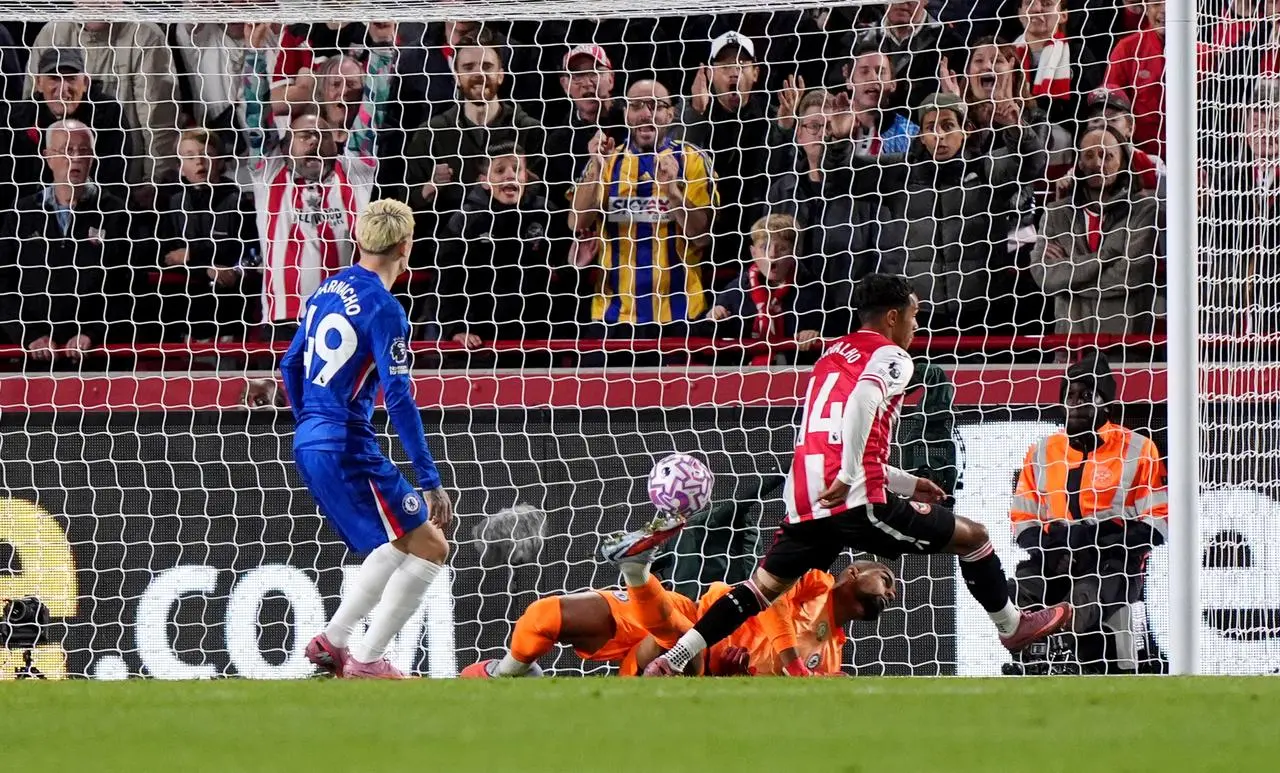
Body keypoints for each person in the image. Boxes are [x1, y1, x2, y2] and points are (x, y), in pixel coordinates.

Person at [643, 273, 1072, 676]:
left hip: (806, 496)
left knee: (759, 590)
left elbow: (836, 435)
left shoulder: (831, 355)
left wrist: (906, 483)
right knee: (974, 538)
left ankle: (674, 659)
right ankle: (1011, 627)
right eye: (914, 314)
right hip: (853, 497)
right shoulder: (891, 356)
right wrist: (851, 476)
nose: (915, 324)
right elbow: (865, 402)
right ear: (892, 316)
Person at [281, 199, 454, 680]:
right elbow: (399, 398)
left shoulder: (327, 289)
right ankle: (368, 658)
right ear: (406, 247)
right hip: (347, 442)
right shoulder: (385, 308)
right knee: (432, 547)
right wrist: (429, 478)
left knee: (402, 539)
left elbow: (290, 363)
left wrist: (310, 420)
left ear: (358, 241)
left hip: (310, 439)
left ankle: (333, 643)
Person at [462, 522, 896, 678]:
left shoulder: (834, 659)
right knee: (544, 615)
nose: (891, 590)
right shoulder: (815, 581)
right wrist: (790, 660)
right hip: (693, 613)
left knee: (677, 641)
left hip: (692, 665)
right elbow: (770, 597)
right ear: (854, 572)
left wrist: (744, 675)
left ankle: (636, 571)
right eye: (887, 577)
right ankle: (508, 673)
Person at [1009, 352, 1168, 674]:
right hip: (1056, 556)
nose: (1076, 403)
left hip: (1114, 558)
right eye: (1070, 395)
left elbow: (1158, 524)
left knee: (1087, 593)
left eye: (1086, 395)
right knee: (1019, 586)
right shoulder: (1042, 451)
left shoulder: (1138, 448)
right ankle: (1033, 659)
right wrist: (1055, 546)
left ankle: (1061, 651)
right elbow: (1022, 521)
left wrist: (1096, 539)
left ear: (1105, 404)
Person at [568, 79, 717, 344]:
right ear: (626, 113)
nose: (646, 113)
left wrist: (673, 193)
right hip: (612, 317)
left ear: (670, 114)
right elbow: (577, 221)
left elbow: (702, 236)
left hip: (681, 314)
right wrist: (595, 166)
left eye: (655, 106)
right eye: (637, 106)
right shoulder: (607, 159)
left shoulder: (693, 159)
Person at [0, 119, 134, 359]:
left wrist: (94, 333)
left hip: (97, 355)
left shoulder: (115, 211)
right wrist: (27, 335)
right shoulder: (23, 211)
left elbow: (127, 285)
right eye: (66, 151)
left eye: (83, 151)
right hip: (33, 356)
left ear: (92, 158)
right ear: (48, 157)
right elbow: (4, 281)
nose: (76, 158)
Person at [1031, 125, 1162, 336]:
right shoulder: (1056, 213)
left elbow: (1132, 275)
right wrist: (1104, 258)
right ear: (1079, 163)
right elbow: (1043, 276)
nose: (1097, 163)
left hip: (1127, 351)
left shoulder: (1144, 210)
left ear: (1123, 163)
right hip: (1070, 350)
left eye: (1107, 155)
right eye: (1089, 155)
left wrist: (1066, 277)